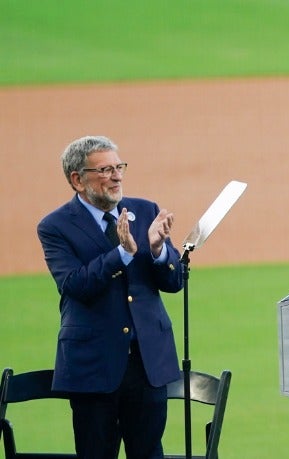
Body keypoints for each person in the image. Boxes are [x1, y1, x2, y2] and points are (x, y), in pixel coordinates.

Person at [37, 136, 183, 458]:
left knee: (148, 453)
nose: (117, 176)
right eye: (105, 169)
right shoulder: (55, 227)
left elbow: (174, 282)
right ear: (77, 179)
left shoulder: (146, 210)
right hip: (93, 366)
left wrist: (158, 251)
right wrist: (122, 253)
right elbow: (76, 285)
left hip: (148, 363)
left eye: (119, 167)